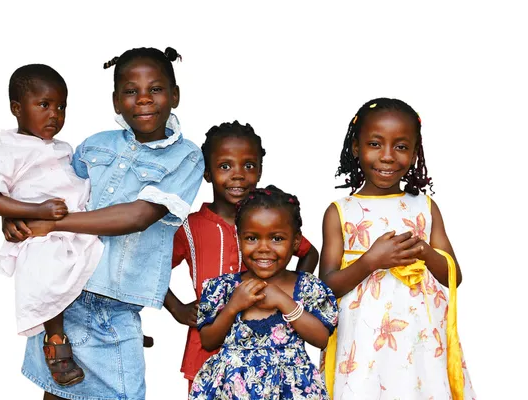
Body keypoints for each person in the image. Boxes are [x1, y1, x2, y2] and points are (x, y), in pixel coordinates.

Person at [3, 47, 204, 400]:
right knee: (60, 393)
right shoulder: (93, 146)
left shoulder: (186, 157)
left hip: (112, 305)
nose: (143, 99)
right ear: (115, 101)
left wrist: (53, 225)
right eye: (130, 91)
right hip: (64, 296)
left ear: (175, 95)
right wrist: (13, 212)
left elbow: (140, 218)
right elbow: (46, 189)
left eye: (155, 89)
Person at [319, 98, 476, 399]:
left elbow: (453, 278)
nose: (388, 156)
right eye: (375, 144)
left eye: (401, 147)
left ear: (415, 153)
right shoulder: (341, 211)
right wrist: (369, 262)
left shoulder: (426, 208)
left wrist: (426, 253)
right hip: (363, 338)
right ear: (356, 147)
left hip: (419, 336)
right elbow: (325, 285)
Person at [165, 121, 320, 394]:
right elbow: (151, 268)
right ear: (207, 172)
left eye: (248, 165)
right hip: (209, 344)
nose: (238, 175)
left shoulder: (269, 220)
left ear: (260, 170)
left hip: (268, 347)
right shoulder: (189, 227)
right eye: (225, 166)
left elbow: (308, 252)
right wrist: (176, 307)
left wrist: (293, 294)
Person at [0, 64, 104, 386]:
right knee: (44, 273)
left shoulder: (62, 148)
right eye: (44, 105)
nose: (55, 114)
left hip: (75, 221)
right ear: (17, 109)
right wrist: (37, 209)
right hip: (41, 233)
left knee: (106, 253)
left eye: (61, 107)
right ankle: (56, 342)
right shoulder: (9, 152)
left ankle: (112, 331)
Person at [189, 185, 338, 399]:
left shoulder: (307, 287)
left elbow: (321, 338)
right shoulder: (223, 288)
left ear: (296, 241)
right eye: (252, 238)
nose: (263, 248)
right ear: (238, 238)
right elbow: (208, 341)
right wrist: (233, 307)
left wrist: (284, 302)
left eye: (276, 238)